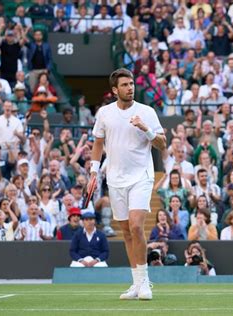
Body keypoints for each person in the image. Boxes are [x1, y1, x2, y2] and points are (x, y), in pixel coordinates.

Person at [89, 68, 166, 300]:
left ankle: (144, 283)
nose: (130, 87)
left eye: (131, 83)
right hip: (115, 178)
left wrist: (146, 129)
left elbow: (162, 144)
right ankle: (135, 284)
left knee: (135, 226)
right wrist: (94, 172)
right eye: (124, 85)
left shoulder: (147, 112)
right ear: (115, 90)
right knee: (126, 231)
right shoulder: (104, 113)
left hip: (142, 176)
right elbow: (98, 143)